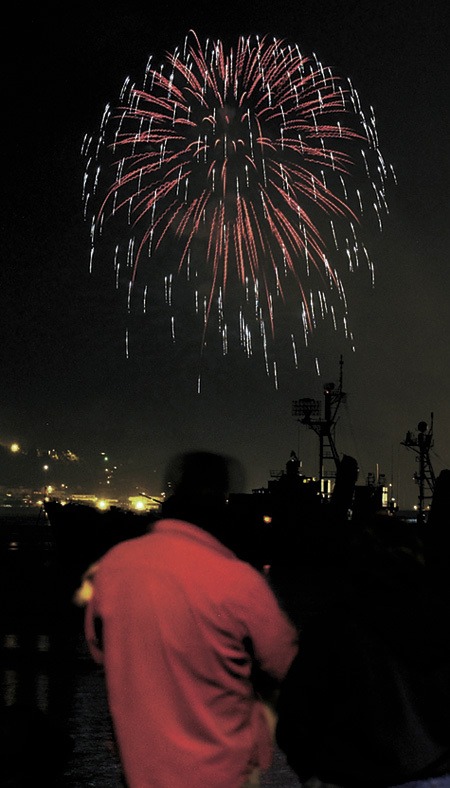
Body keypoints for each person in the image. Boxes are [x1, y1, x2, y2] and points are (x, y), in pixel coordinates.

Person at [84, 451, 298, 788]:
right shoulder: (238, 580)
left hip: (139, 770)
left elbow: (99, 648)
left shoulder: (112, 566)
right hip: (219, 771)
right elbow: (288, 664)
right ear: (222, 504)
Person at [275, 511, 450, 788]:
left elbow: (297, 712)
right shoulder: (440, 620)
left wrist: (309, 771)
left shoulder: (335, 626)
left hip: (353, 776)